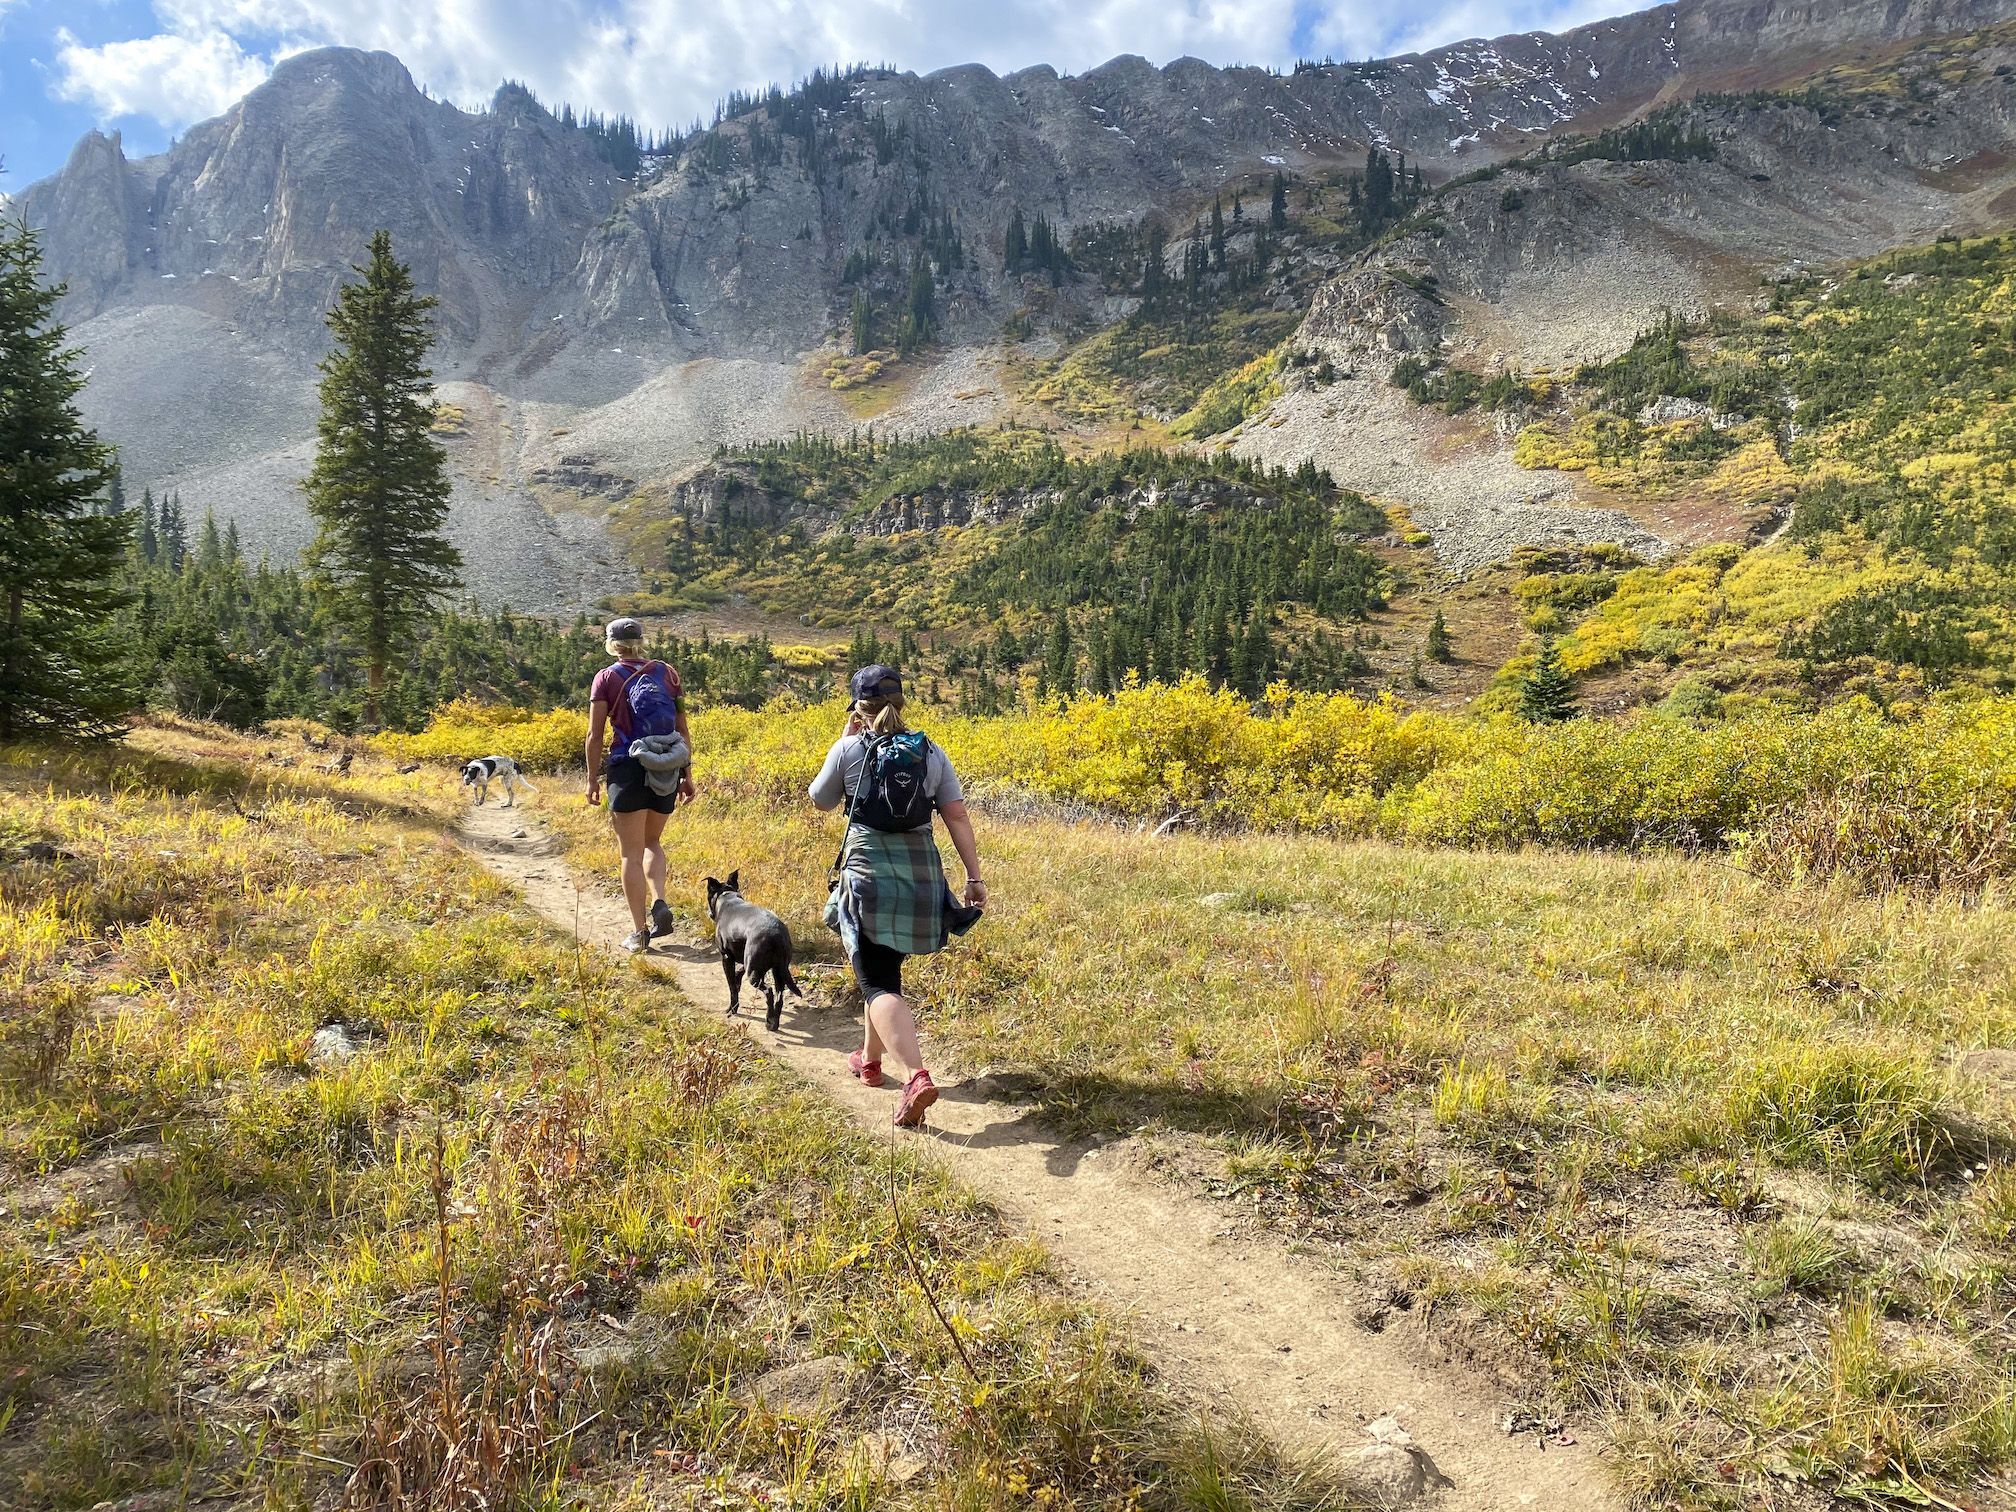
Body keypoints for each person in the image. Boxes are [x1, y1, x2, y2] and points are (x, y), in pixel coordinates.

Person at [811, 664, 986, 1128]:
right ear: (902, 703)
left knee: (876, 982)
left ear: (857, 708)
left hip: (868, 873)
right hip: (921, 874)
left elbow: (821, 799)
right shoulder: (929, 751)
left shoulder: (850, 748)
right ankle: (870, 1061)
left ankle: (915, 1075)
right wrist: (973, 876)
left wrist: (842, 740)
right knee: (885, 968)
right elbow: (958, 817)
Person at [585, 617, 696, 952]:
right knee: (653, 842)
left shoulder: (605, 678)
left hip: (628, 766)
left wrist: (592, 778)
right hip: (667, 765)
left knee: (629, 854)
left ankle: (639, 932)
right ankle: (660, 899)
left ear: (611, 643)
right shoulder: (668, 674)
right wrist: (687, 774)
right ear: (640, 641)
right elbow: (683, 728)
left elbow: (595, 735)